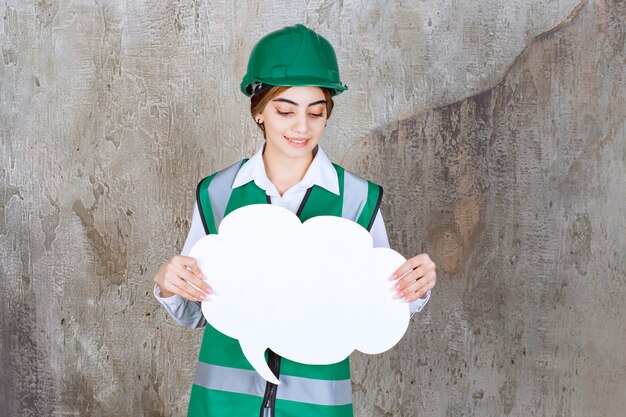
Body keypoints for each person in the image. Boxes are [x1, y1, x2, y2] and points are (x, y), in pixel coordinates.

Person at [154, 24, 437, 417]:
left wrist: (415, 286)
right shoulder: (217, 194)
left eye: (315, 112)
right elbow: (195, 313)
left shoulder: (358, 199)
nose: (301, 127)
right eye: (285, 110)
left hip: (316, 406)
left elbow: (375, 309)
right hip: (222, 403)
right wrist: (169, 284)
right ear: (259, 111)